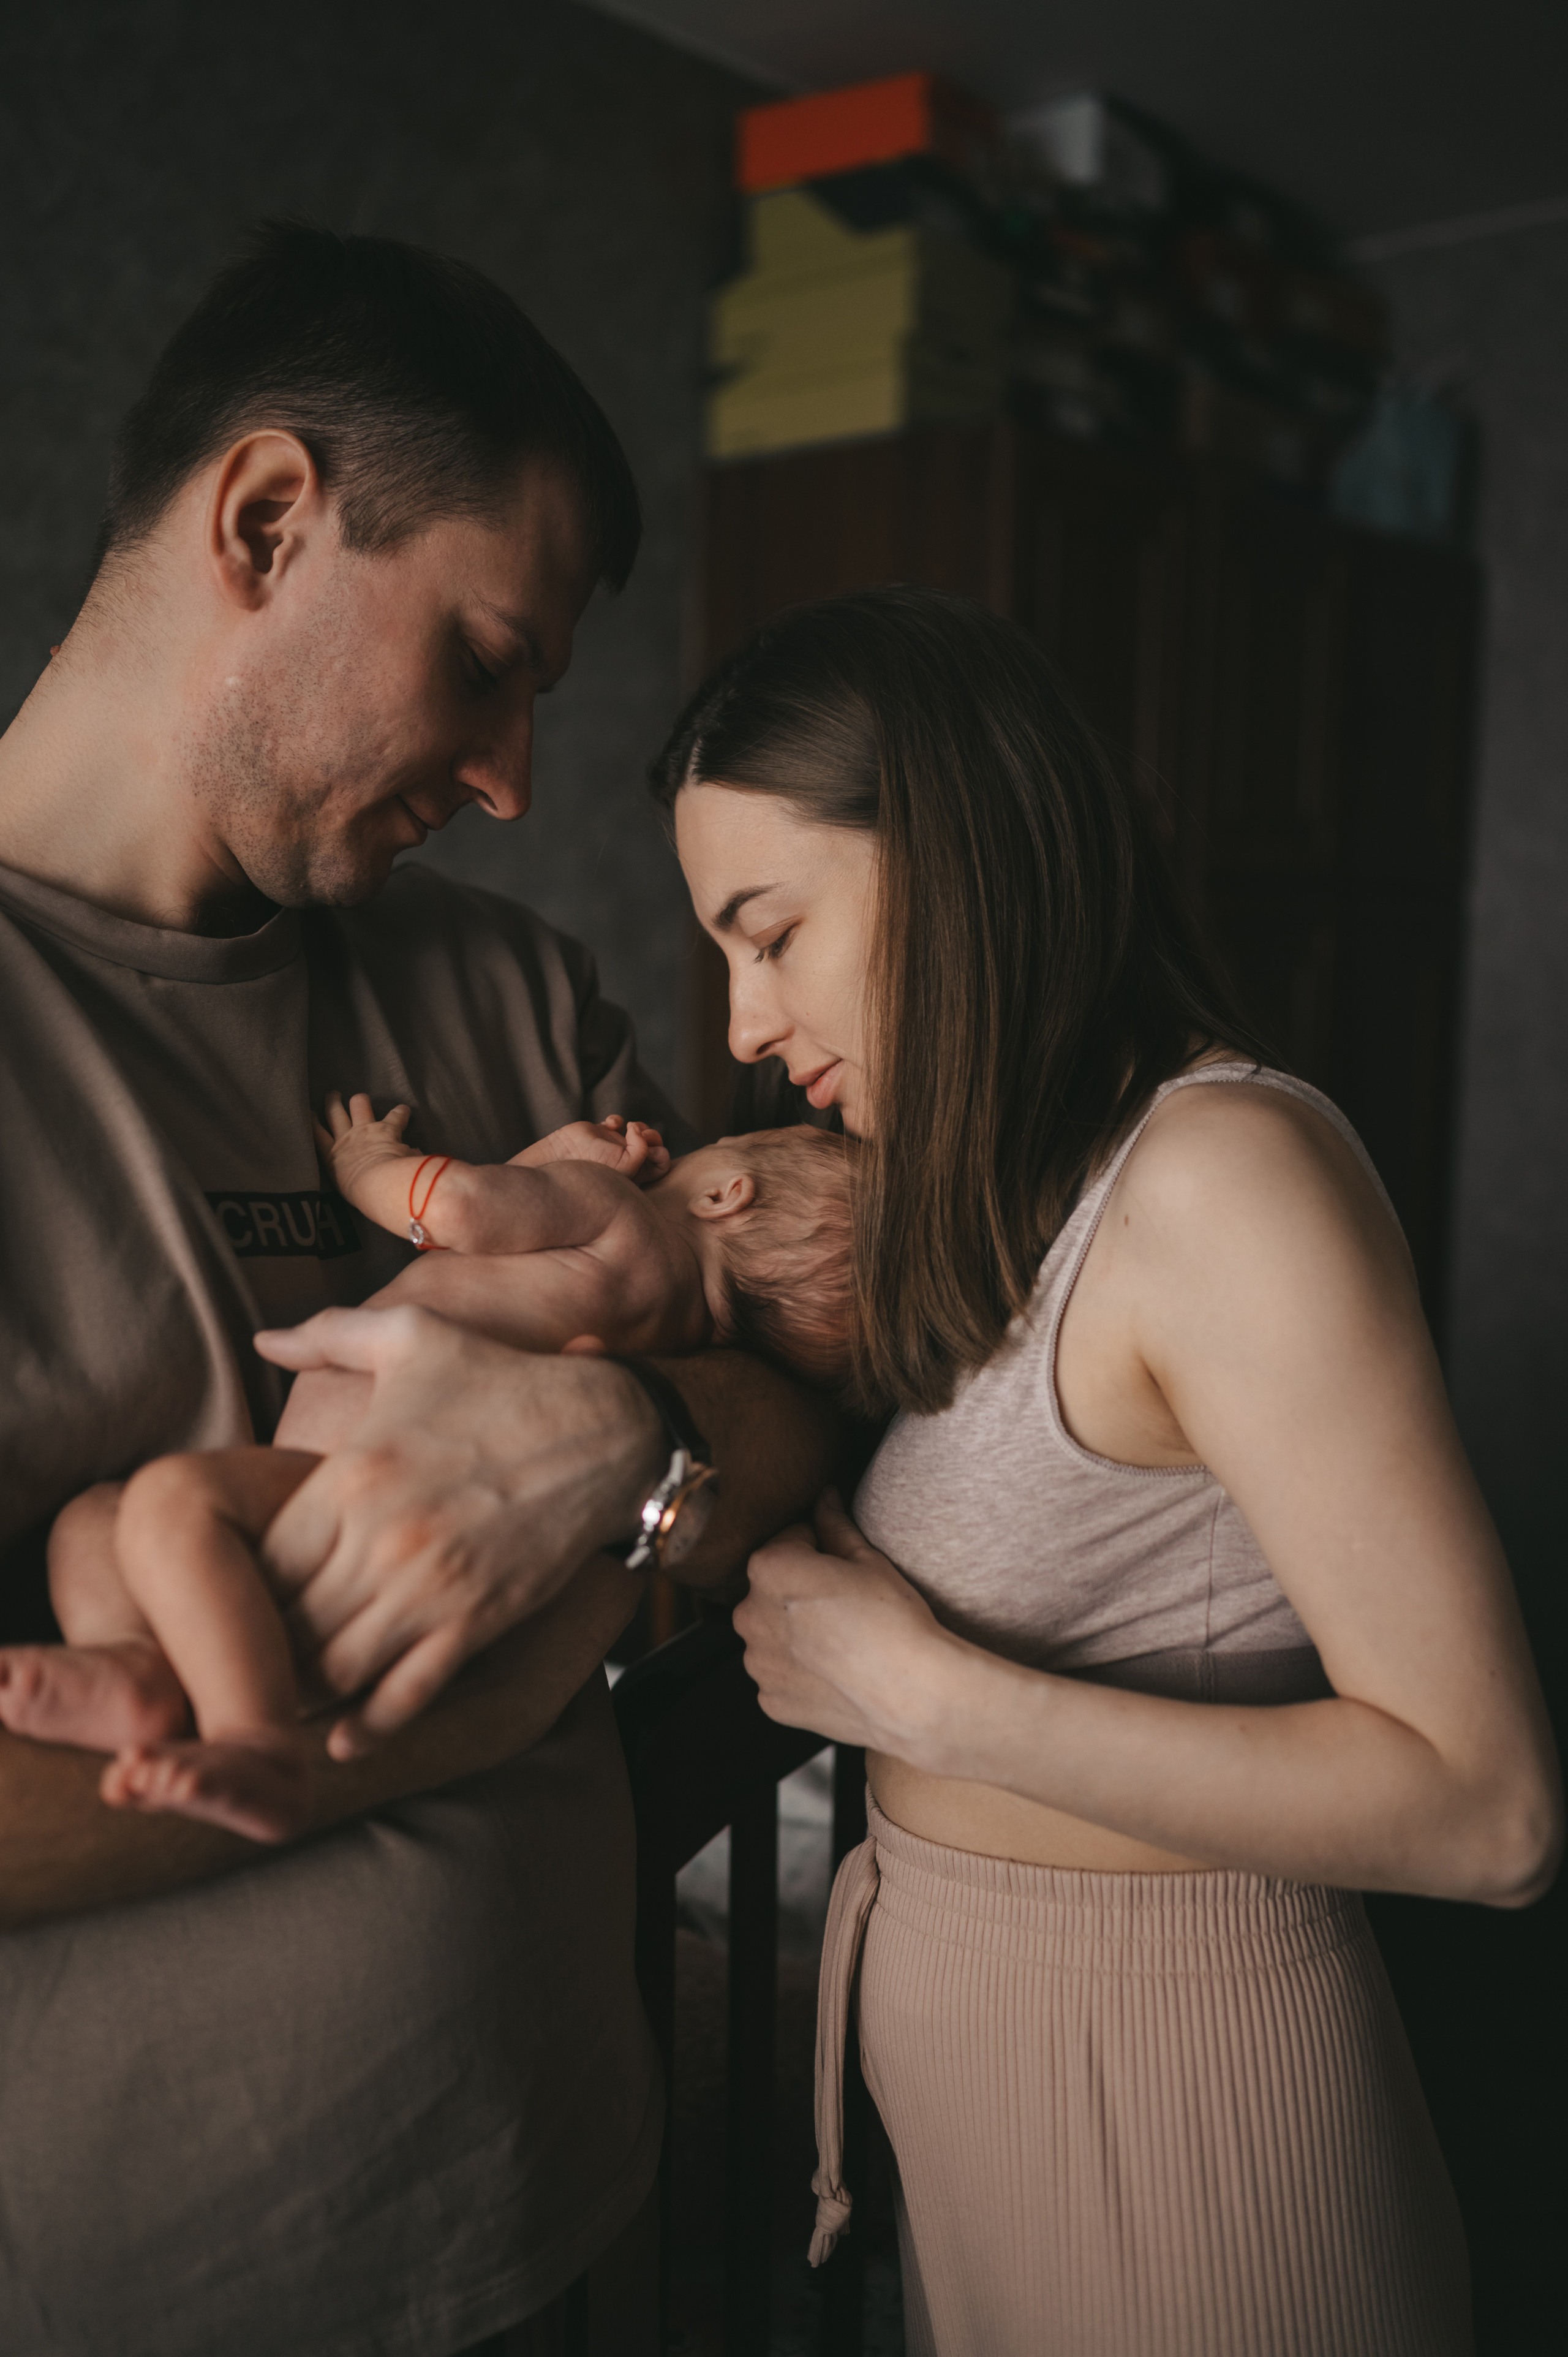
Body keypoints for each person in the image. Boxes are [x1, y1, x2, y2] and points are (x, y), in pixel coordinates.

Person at [0, 221, 841, 2357]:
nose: (512, 781)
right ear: (269, 518)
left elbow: (804, 1405)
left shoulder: (508, 992)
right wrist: (452, 1703)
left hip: (554, 2191)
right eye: (487, 657)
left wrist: (617, 1447)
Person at [650, 586, 1564, 2357]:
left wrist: (920, 1695)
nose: (747, 1019)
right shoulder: (992, 1200)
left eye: (772, 931)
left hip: (1184, 2118)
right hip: (1000, 2117)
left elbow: (1492, 1810)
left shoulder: (1220, 1179)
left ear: (956, 852)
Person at [0, 1103, 856, 1842]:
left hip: (334, 1483)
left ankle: (246, 1737)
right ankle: (146, 1676)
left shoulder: (619, 1218)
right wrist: (554, 1160)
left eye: (725, 1142)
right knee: (120, 1521)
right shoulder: (679, 1340)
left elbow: (461, 1210)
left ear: (725, 1192)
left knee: (144, 1509)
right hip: (422, 1560)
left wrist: (368, 1163)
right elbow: (514, 1272)